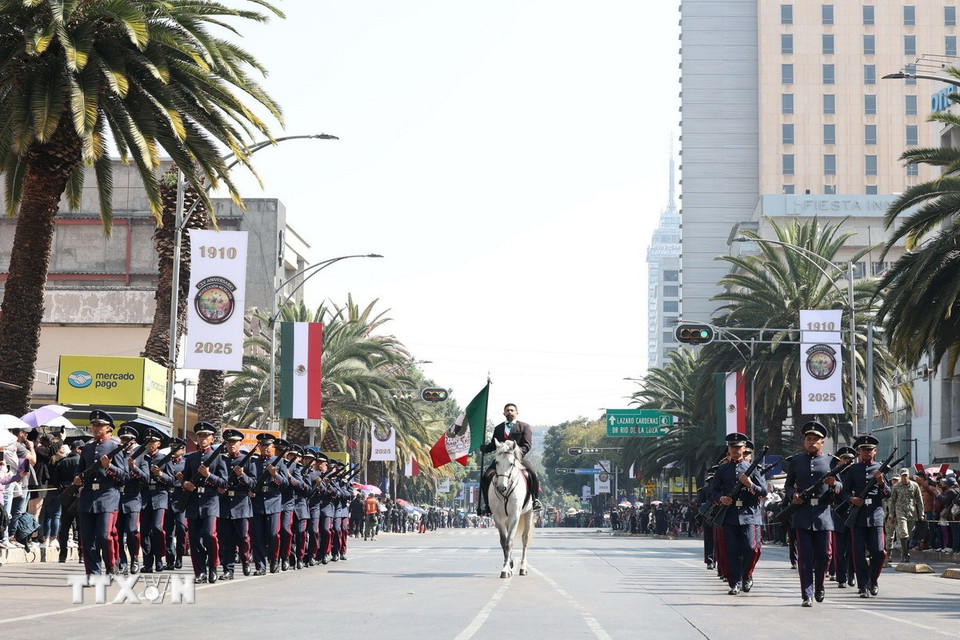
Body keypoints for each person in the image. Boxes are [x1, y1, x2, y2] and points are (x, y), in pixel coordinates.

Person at [784, 420, 841, 607]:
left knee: (825, 554)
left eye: (815, 440)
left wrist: (834, 484)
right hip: (802, 513)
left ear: (822, 442)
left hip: (823, 514)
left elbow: (841, 485)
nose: (811, 442)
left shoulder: (831, 461)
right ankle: (806, 594)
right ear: (804, 442)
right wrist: (794, 495)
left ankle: (819, 585)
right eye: (808, 439)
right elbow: (788, 486)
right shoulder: (795, 461)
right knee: (805, 557)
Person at [709, 433, 767, 595]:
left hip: (749, 513)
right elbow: (713, 490)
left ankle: (747, 574)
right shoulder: (723, 469)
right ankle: (734, 582)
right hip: (730, 514)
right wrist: (721, 498)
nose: (735, 450)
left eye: (738, 447)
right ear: (729, 449)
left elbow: (763, 491)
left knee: (751, 548)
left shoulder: (753, 468)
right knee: (732, 551)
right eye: (732, 447)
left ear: (744, 449)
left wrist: (750, 485)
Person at [74, 410, 127, 576]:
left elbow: (124, 476)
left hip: (107, 497)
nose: (96, 428)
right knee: (87, 538)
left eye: (100, 425)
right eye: (94, 425)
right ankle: (93, 573)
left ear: (108, 428)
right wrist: (77, 479)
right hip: (88, 497)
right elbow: (79, 470)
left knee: (105, 535)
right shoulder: (87, 448)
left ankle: (111, 567)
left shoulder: (114, 448)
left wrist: (109, 467)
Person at [841, 435, 890, 597]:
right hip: (858, 516)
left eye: (870, 450)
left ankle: (873, 579)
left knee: (878, 551)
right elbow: (845, 491)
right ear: (859, 452)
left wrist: (881, 482)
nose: (867, 453)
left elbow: (888, 493)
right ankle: (862, 585)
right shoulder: (853, 470)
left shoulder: (880, 469)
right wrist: (852, 499)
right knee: (859, 552)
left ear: (875, 452)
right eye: (864, 450)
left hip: (875, 514)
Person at [179, 421, 228, 584]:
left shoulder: (219, 458)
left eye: (206, 436)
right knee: (194, 539)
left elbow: (224, 483)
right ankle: (200, 572)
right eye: (200, 436)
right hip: (193, 502)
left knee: (209, 534)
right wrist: (185, 484)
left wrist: (208, 476)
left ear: (212, 438)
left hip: (210, 501)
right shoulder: (191, 458)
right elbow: (185, 479)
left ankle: (213, 566)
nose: (202, 439)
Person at [478, 403, 542, 515]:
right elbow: (494, 445)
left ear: (517, 413)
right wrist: (485, 448)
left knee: (533, 474)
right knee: (485, 476)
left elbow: (527, 445)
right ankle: (487, 505)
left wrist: (516, 453)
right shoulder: (498, 428)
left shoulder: (524, 427)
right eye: (507, 410)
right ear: (504, 413)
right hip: (502, 459)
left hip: (519, 458)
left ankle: (535, 500)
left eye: (512, 410)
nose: (510, 412)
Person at [217, 428, 254, 579]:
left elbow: (253, 483)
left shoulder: (248, 459)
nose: (232, 445)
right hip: (225, 502)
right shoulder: (220, 460)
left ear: (240, 443)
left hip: (241, 503)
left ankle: (245, 560)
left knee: (243, 537)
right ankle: (228, 569)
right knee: (226, 539)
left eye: (235, 442)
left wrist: (242, 475)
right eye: (229, 442)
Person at [140, 427, 173, 574]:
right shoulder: (142, 458)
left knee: (157, 527)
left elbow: (171, 480)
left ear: (159, 444)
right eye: (148, 441)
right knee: (145, 531)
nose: (150, 444)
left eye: (153, 441)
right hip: (145, 496)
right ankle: (148, 562)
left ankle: (159, 557)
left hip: (160, 495)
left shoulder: (164, 459)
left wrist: (160, 474)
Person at [830, 446, 856, 589]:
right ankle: (841, 577)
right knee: (840, 550)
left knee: (854, 549)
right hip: (839, 515)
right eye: (845, 459)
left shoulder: (857, 473)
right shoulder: (835, 475)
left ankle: (851, 574)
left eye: (851, 459)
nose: (849, 462)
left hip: (855, 514)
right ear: (839, 460)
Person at [888, 466, 924, 564]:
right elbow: (892, 502)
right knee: (903, 532)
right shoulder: (896, 487)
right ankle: (905, 554)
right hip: (901, 513)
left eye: (906, 476)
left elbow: (919, 500)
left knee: (909, 535)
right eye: (903, 476)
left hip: (912, 513)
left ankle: (906, 551)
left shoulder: (915, 485)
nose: (904, 477)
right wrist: (891, 515)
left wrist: (921, 513)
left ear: (908, 476)